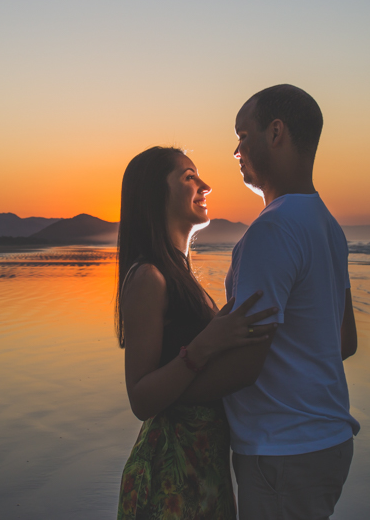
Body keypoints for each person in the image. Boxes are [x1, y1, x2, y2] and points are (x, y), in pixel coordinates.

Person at [177, 85, 360, 520]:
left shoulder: (271, 232)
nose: (235, 149)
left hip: (285, 449)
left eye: (243, 134)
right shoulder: (327, 225)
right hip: (326, 441)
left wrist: (175, 395)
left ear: (276, 132)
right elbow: (345, 341)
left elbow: (245, 363)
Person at [116, 146, 279, 520]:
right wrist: (205, 345)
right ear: (156, 194)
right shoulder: (148, 277)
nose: (205, 185)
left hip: (205, 469)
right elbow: (141, 399)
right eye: (189, 177)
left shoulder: (181, 276)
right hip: (170, 476)